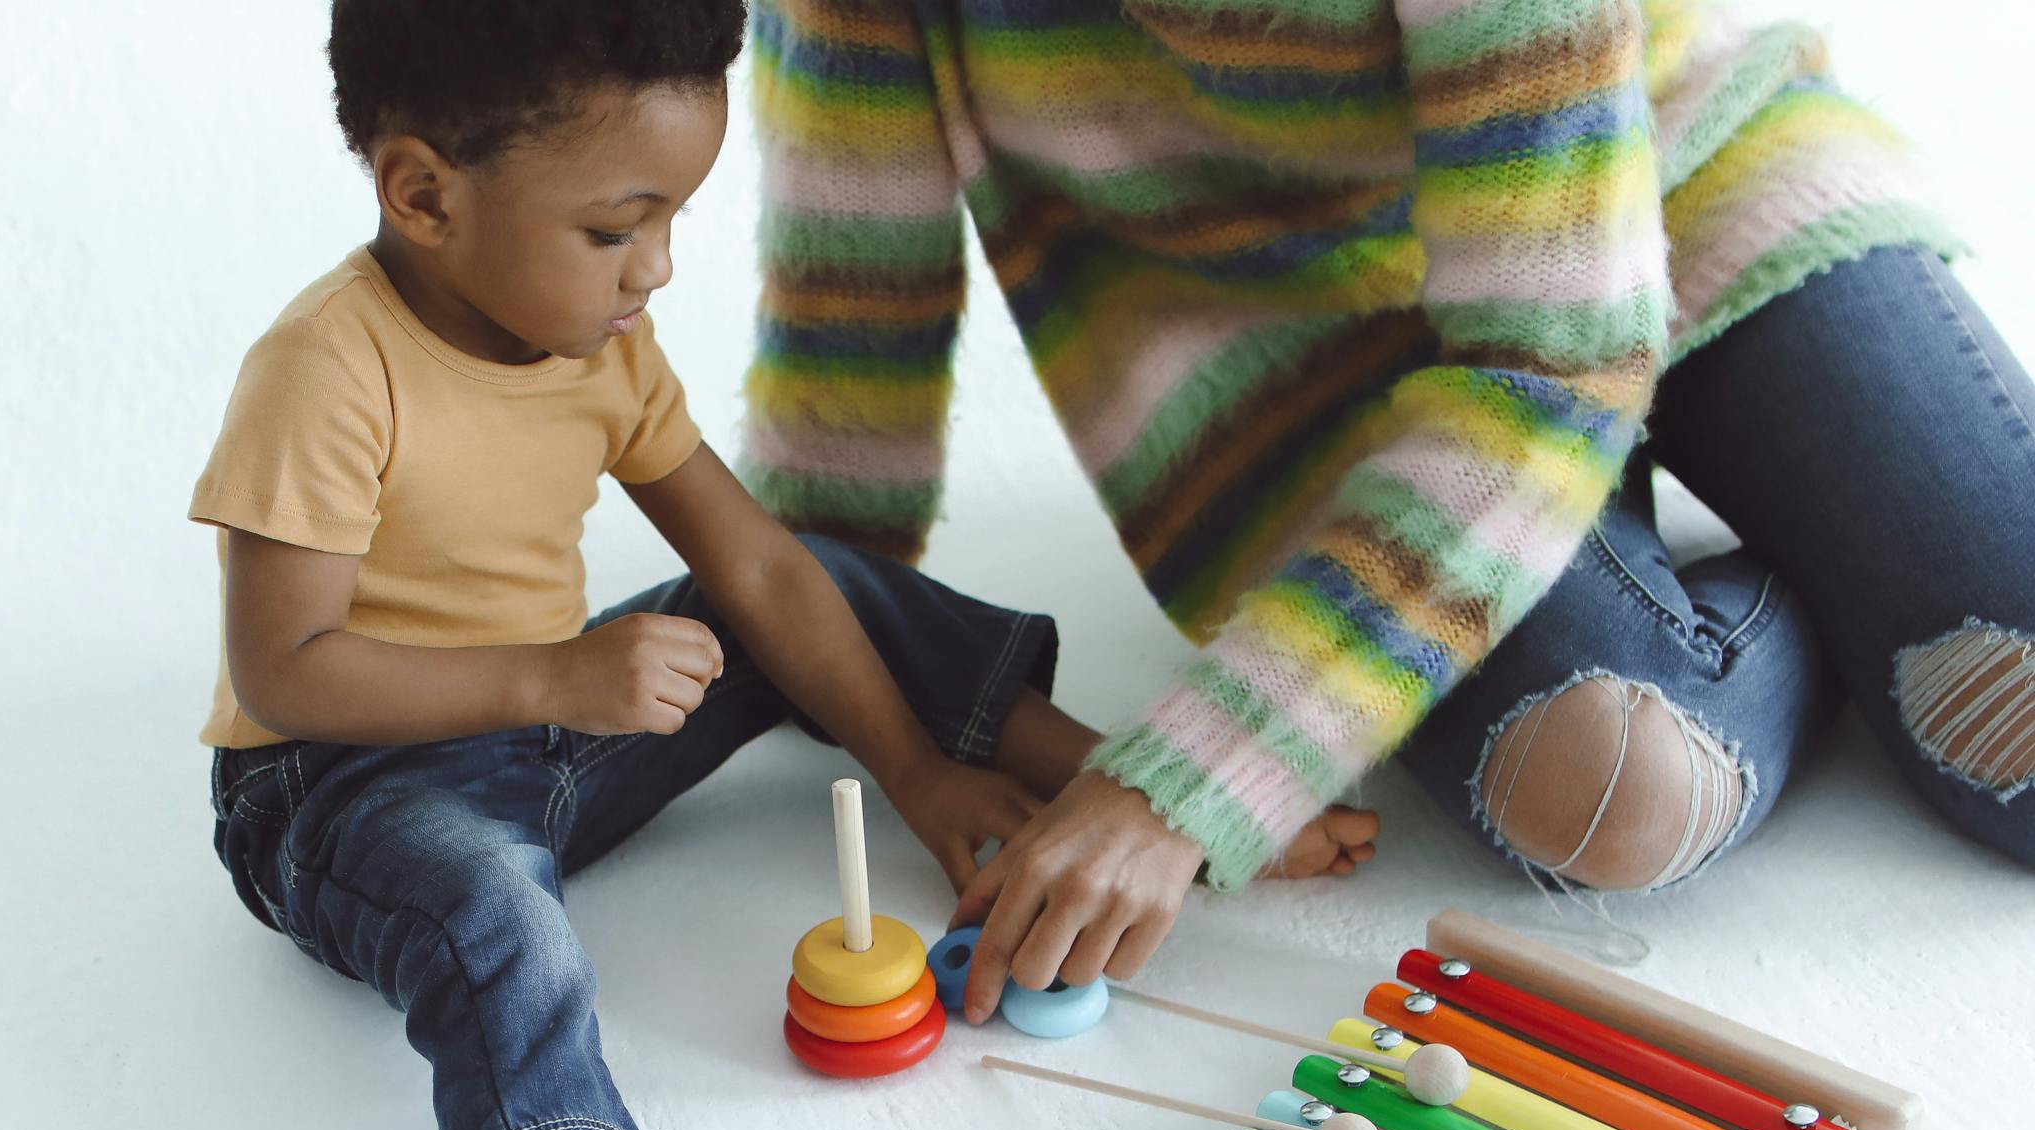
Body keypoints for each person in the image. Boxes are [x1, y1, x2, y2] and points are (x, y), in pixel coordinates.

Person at [193, 0, 1378, 1130]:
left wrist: (916, 773)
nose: (659, 269)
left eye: (677, 217)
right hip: (339, 792)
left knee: (805, 574)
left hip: (554, 729)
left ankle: (1080, 772)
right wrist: (558, 680)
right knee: (490, 911)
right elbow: (287, 666)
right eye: (616, 229)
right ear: (425, 193)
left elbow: (755, 569)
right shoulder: (326, 368)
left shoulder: (596, 343)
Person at [748, 0, 2033, 1019]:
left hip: (1668, 185)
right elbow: (851, 317)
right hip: (1324, 385)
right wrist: (823, 638)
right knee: (1614, 787)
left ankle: (1816, 546)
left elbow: (1550, 357)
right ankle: (1804, 601)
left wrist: (1176, 786)